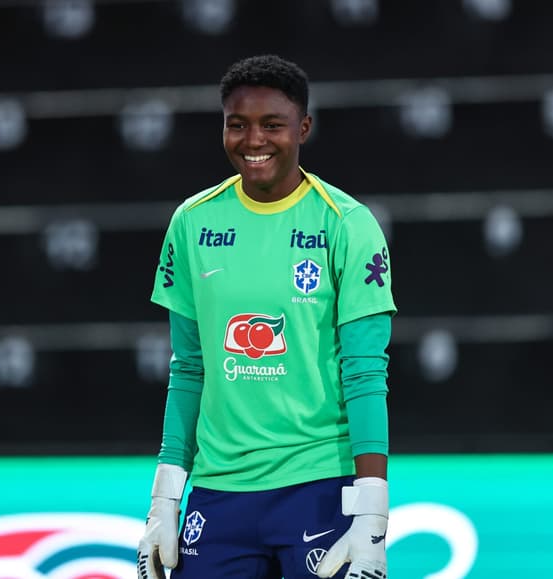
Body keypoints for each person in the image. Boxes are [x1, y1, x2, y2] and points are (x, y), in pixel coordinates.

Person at [137, 54, 395, 579]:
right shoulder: (191, 222)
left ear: (303, 127)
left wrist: (372, 517)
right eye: (238, 125)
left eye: (272, 125)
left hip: (319, 485)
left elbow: (366, 372)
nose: (254, 140)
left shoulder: (346, 223)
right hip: (219, 490)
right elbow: (188, 368)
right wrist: (163, 501)